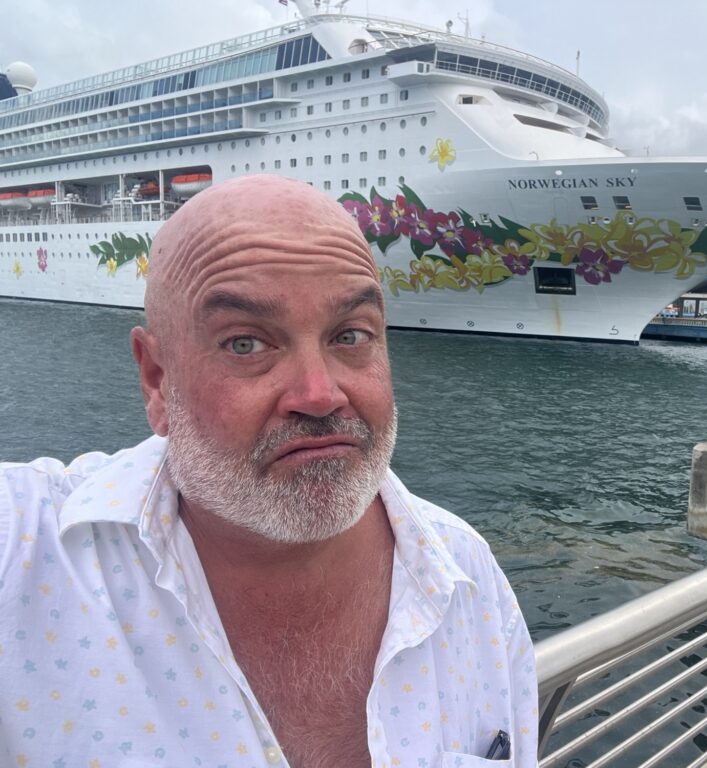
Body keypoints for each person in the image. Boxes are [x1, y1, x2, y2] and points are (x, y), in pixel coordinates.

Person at [0, 175, 538, 768]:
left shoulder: (467, 575)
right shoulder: (22, 553)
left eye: (351, 335)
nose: (319, 394)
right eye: (245, 344)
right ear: (157, 379)